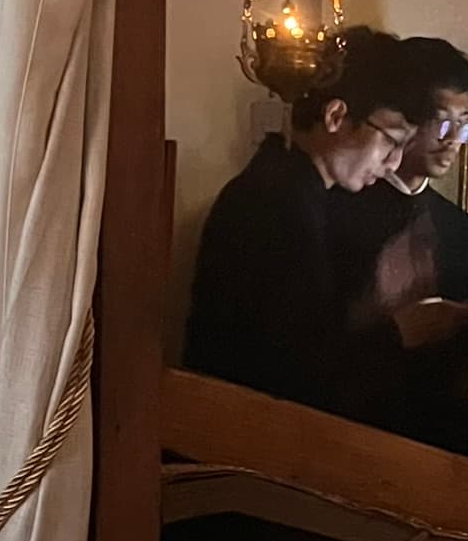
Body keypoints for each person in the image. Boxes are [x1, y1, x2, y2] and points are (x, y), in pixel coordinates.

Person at [183, 27, 430, 424]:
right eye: (391, 141)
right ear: (336, 116)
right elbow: (300, 373)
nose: (394, 164)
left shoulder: (297, 187)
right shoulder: (273, 203)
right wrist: (401, 330)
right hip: (246, 438)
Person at [329, 35, 468, 313]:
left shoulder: (462, 231)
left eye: (464, 125)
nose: (454, 139)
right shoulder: (334, 210)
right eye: (443, 122)